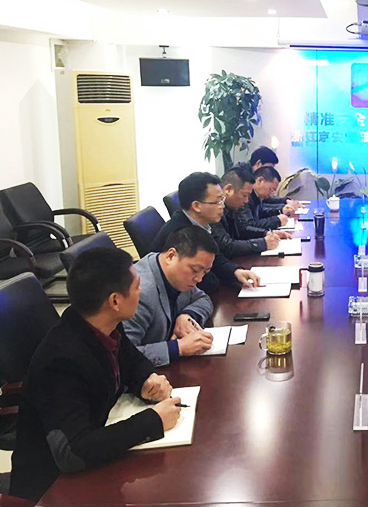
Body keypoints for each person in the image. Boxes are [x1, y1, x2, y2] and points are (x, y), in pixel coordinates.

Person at [10, 248, 182, 501]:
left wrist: (147, 379)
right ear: (115, 301)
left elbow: (131, 360)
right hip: (53, 487)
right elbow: (73, 452)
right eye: (136, 287)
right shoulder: (61, 361)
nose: (141, 292)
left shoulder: (101, 324)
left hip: (100, 447)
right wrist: (153, 421)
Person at [150, 171, 260, 293]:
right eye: (217, 201)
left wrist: (235, 272)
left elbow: (215, 257)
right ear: (196, 206)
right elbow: (205, 283)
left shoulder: (200, 224)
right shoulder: (182, 234)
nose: (222, 206)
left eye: (222, 200)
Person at [124, 227, 217, 367]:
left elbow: (203, 299)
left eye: (205, 272)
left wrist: (186, 315)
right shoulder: (138, 292)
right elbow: (122, 358)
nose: (199, 279)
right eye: (195, 270)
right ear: (171, 256)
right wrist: (178, 348)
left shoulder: (177, 274)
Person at [211, 165, 287, 257]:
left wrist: (265, 233)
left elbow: (242, 229)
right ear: (228, 190)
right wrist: (263, 243)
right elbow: (226, 246)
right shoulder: (213, 211)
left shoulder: (232, 206)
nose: (246, 201)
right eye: (244, 195)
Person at [249, 146, 302, 211]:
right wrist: (281, 209)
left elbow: (265, 200)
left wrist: (285, 202)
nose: (271, 171)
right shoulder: (244, 180)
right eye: (269, 168)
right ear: (258, 164)